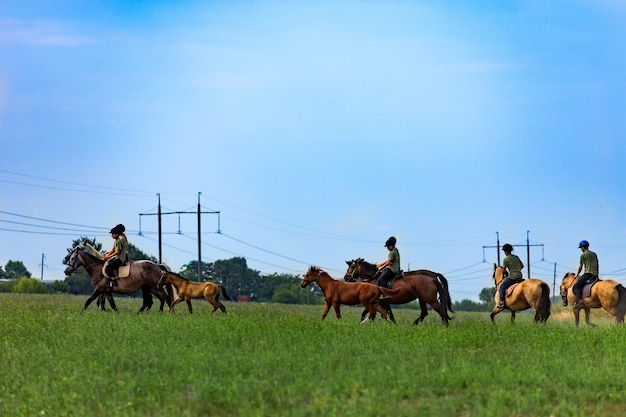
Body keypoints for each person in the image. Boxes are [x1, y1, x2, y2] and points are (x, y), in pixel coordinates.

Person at [497, 243, 524, 308]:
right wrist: (517, 269)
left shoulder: (505, 259)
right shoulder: (516, 257)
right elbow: (522, 266)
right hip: (520, 276)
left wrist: (509, 272)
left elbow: (503, 270)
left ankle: (502, 302)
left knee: (502, 287)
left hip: (512, 277)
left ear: (506, 251)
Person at [573, 240, 599, 308]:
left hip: (588, 274)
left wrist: (576, 274)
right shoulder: (594, 254)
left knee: (576, 287)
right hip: (595, 275)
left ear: (583, 247)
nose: (581, 249)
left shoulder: (583, 255)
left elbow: (580, 267)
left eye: (581, 248)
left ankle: (580, 302)